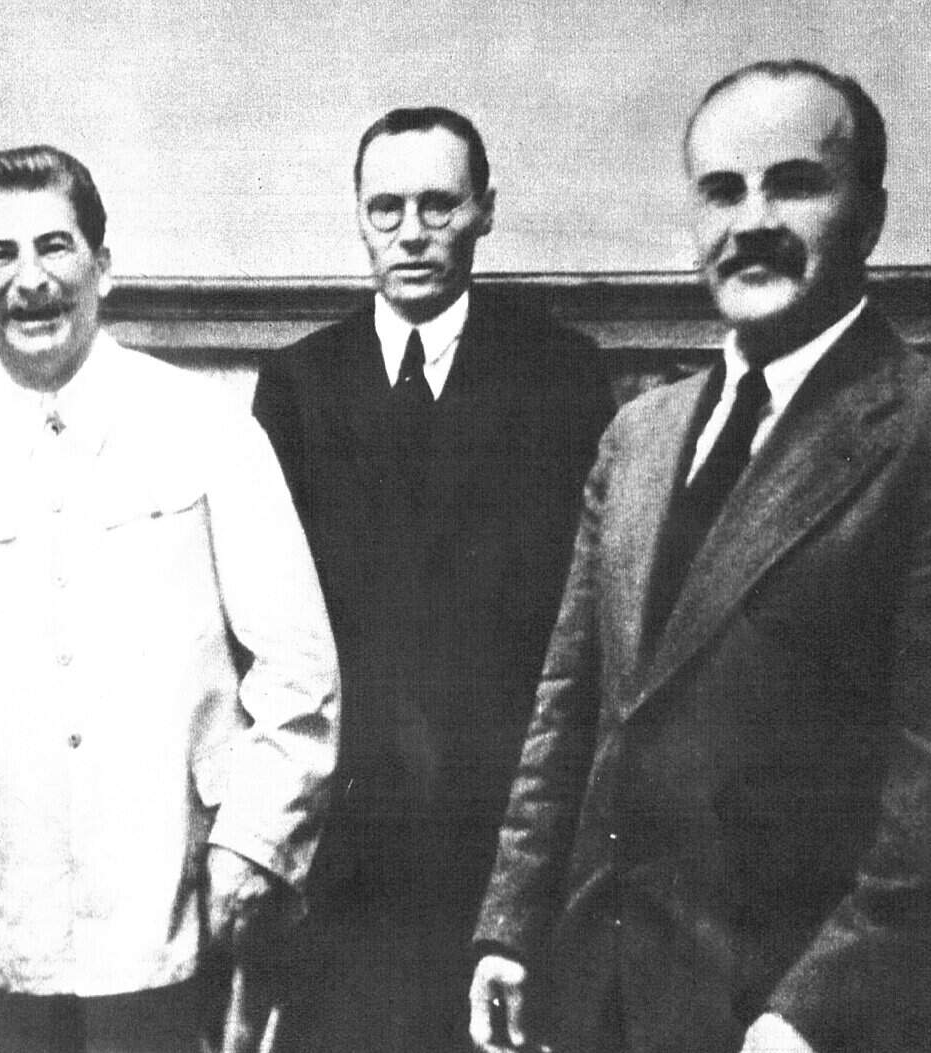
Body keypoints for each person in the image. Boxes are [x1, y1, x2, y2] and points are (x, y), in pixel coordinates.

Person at [471, 60, 931, 1053]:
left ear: (870, 213)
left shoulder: (915, 431)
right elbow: (568, 708)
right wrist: (509, 925)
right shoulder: (638, 433)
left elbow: (925, 784)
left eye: (794, 183)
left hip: (801, 1013)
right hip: (608, 993)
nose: (750, 219)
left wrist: (812, 1013)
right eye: (721, 190)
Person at [0, 145, 340, 1053]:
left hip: (174, 905)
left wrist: (251, 847)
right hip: (5, 913)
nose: (30, 280)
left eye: (55, 246)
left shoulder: (207, 427)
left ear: (103, 267)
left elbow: (299, 670)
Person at [251, 107, 609, 1052]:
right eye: (385, 208)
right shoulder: (297, 384)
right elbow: (271, 626)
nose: (411, 231)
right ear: (358, 218)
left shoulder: (560, 373)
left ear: (483, 211)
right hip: (347, 842)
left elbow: (583, 621)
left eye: (438, 205)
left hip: (499, 834)